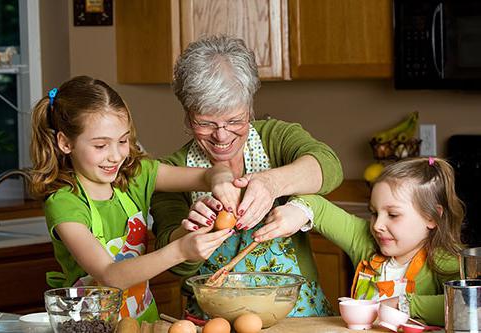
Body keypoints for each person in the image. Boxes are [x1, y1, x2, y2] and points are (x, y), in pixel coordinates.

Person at [151, 35, 343, 318]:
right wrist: (189, 233)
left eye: (234, 120)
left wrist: (271, 183)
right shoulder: (173, 172)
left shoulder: (276, 138)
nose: (222, 135)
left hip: (296, 316)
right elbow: (175, 266)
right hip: (214, 319)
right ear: (187, 116)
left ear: (250, 108)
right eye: (205, 123)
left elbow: (330, 166)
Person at [28, 76, 238, 323]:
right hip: (90, 328)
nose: (115, 156)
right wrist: (181, 249)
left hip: (142, 322)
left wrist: (221, 181)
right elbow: (110, 276)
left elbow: (209, 174)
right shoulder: (65, 203)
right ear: (65, 143)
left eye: (122, 141)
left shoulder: (135, 175)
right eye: (100, 146)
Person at [265, 157, 463, 325]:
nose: (377, 225)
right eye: (374, 213)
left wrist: (404, 304)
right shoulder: (366, 242)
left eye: (393, 214)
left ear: (432, 218)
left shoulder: (442, 260)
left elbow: (465, 303)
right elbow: (319, 208)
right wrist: (298, 211)